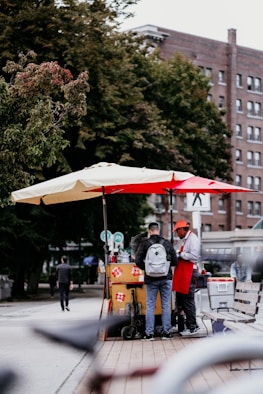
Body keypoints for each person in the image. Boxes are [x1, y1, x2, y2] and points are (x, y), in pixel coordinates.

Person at [135, 222, 177, 341]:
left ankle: (149, 334)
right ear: (158, 230)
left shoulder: (144, 244)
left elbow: (137, 261)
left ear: (150, 231)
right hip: (166, 278)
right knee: (166, 305)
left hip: (150, 279)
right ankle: (166, 333)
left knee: (150, 306)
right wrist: (165, 267)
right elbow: (175, 261)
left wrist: (148, 269)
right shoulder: (167, 243)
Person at [172, 220, 200, 336]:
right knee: (183, 300)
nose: (177, 234)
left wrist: (180, 254)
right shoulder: (186, 239)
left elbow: (194, 256)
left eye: (177, 231)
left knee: (188, 300)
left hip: (190, 272)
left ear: (183, 229)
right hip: (185, 272)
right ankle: (188, 325)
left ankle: (192, 326)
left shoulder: (192, 239)